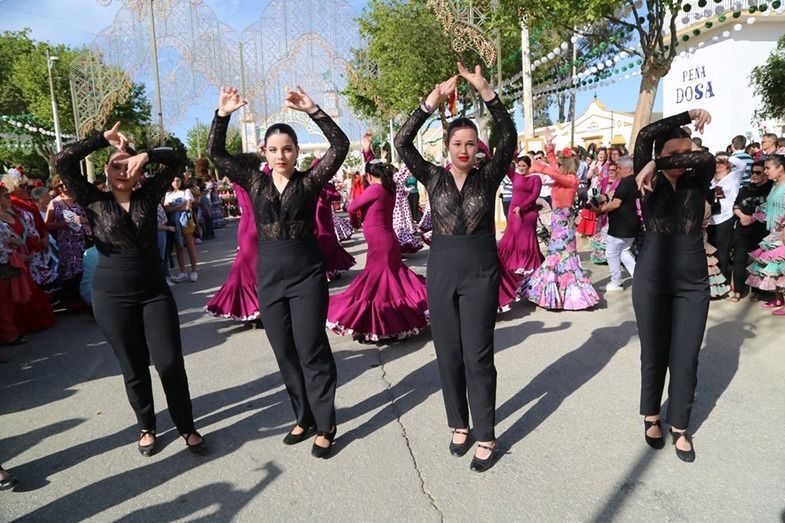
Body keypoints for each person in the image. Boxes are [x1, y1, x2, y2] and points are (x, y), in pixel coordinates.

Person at [208, 85, 349, 458]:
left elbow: (340, 146)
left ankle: (326, 424)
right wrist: (223, 116)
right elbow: (216, 153)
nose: (281, 155)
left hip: (307, 276)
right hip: (269, 278)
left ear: (297, 152)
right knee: (284, 351)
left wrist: (313, 110)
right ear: (264, 152)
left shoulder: (310, 182)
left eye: (287, 149)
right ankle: (303, 416)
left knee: (311, 348)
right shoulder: (254, 182)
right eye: (274, 149)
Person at [54, 122, 206, 457]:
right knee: (133, 366)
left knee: (169, 363)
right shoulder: (93, 199)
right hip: (111, 297)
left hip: (154, 292)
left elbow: (177, 159)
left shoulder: (148, 195)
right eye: (116, 166)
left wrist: (147, 155)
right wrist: (101, 140)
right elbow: (63, 161)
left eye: (129, 165)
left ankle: (186, 426)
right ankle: (146, 426)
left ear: (138, 170)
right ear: (106, 172)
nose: (123, 171)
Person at [394, 63, 516, 472]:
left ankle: (486, 432)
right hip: (442, 270)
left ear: (479, 147)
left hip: (480, 270)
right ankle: (459, 423)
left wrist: (486, 90)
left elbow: (509, 136)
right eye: (457, 143)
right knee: (448, 353)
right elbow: (402, 141)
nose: (464, 150)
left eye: (471, 143)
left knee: (478, 354)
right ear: (447, 146)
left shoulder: (489, 176)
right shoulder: (432, 177)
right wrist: (431, 101)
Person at [633, 108, 714, 463]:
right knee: (654, 352)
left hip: (693, 280)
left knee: (686, 356)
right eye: (671, 153)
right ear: (657, 153)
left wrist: (659, 162)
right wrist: (686, 114)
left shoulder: (699, 177)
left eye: (685, 152)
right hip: (651, 277)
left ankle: (680, 425)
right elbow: (645, 134)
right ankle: (651, 414)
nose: (681, 159)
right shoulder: (647, 178)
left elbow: (705, 157)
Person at [327, 161, 428, 342]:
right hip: (387, 241)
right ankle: (389, 323)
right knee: (390, 283)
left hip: (380, 243)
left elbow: (351, 207)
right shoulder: (389, 189)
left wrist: (355, 222)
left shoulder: (376, 189)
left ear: (369, 176)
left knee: (378, 285)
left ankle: (384, 325)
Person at [525, 129, 600, 311]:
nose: (557, 164)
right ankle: (553, 295)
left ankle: (567, 295)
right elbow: (552, 164)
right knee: (556, 255)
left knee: (563, 256)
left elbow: (553, 173)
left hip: (565, 223)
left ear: (565, 164)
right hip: (558, 221)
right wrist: (548, 144)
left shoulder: (572, 180)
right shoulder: (563, 176)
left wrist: (540, 168)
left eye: (560, 162)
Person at [206, 183, 261, 322]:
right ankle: (254, 306)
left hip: (255, 223)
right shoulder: (245, 179)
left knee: (247, 266)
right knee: (247, 266)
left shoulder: (249, 178)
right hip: (252, 225)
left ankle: (254, 305)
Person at [746, 154, 785, 314]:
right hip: (774, 231)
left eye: (768, 168)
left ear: (780, 168)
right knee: (773, 267)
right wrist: (755, 216)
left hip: (782, 232)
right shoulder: (775, 184)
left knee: (782, 267)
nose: (765, 171)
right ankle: (779, 299)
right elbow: (768, 206)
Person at [593, 156, 639, 292]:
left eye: (619, 168)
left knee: (611, 253)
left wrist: (600, 210)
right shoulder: (636, 181)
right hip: (631, 223)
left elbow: (616, 203)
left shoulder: (626, 182)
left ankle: (616, 282)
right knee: (623, 251)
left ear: (628, 169)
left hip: (621, 224)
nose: (617, 170)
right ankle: (639, 277)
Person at [46, 175, 92, 307]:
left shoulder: (81, 199)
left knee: (86, 268)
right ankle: (73, 300)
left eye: (66, 183)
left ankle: (86, 297)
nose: (64, 187)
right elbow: (46, 224)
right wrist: (61, 224)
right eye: (60, 185)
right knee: (71, 271)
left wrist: (83, 220)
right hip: (67, 242)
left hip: (85, 239)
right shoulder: (54, 203)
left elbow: (95, 218)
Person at [729, 160, 773, 301]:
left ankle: (757, 291)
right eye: (752, 172)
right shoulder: (746, 188)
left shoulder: (772, 189)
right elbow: (736, 206)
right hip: (743, 228)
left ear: (765, 174)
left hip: (762, 230)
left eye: (757, 173)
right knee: (739, 260)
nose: (753, 175)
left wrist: (756, 218)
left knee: (759, 261)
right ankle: (738, 291)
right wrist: (742, 216)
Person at [497, 154, 543, 275]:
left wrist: (521, 207)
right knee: (513, 235)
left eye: (524, 166)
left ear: (529, 166)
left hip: (528, 212)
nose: (521, 168)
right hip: (514, 212)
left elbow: (534, 195)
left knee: (525, 238)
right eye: (519, 166)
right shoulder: (514, 176)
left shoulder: (536, 178)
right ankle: (511, 262)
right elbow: (504, 165)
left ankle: (526, 264)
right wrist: (509, 154)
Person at [707, 153, 745, 282]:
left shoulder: (734, 176)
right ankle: (712, 282)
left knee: (722, 252)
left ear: (728, 164)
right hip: (709, 219)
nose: (718, 164)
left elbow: (743, 165)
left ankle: (723, 281)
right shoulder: (710, 178)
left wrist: (727, 158)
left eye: (721, 162)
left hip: (725, 218)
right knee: (710, 252)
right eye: (716, 162)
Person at [315, 177, 355, 280]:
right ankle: (326, 271)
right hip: (316, 217)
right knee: (321, 241)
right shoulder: (311, 184)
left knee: (329, 240)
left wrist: (327, 192)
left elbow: (337, 196)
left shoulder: (327, 185)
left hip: (326, 217)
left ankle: (332, 270)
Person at [164, 176, 198, 282]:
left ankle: (194, 271)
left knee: (190, 245)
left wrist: (174, 207)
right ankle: (182, 271)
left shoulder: (186, 191)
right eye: (173, 181)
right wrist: (180, 205)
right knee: (179, 246)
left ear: (181, 181)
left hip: (185, 220)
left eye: (178, 180)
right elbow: (167, 209)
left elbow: (188, 206)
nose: (176, 182)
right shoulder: (168, 194)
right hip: (174, 222)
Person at [393, 165, 424, 254]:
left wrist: (407, 190)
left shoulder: (398, 181)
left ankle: (401, 247)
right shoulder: (395, 179)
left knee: (402, 226)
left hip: (401, 206)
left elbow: (403, 190)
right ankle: (399, 247)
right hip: (397, 208)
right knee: (399, 227)